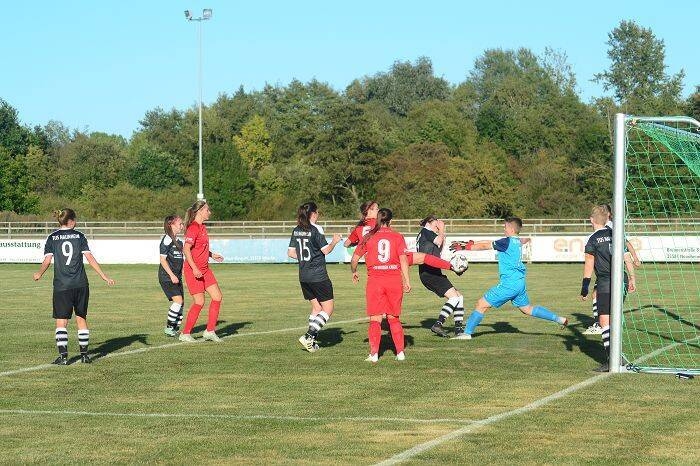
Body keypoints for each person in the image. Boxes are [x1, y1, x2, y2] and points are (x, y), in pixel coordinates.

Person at [450, 217, 568, 339]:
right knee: (527, 309)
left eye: (505, 227)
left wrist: (465, 247)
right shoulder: (516, 241)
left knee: (481, 304)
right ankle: (560, 319)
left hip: (509, 284)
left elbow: (486, 245)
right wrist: (470, 243)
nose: (504, 229)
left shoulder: (506, 242)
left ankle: (467, 333)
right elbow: (490, 242)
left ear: (511, 229)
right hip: (519, 283)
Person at [33, 208, 115, 365]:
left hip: (62, 285)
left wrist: (39, 273)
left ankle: (63, 357)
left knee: (61, 321)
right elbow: (90, 258)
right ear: (70, 221)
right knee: (81, 318)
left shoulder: (52, 238)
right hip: (81, 284)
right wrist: (104, 276)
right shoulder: (79, 236)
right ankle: (84, 356)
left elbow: (47, 261)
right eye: (75, 219)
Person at [580, 205, 636, 372]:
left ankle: (613, 359)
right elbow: (627, 257)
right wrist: (632, 277)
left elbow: (589, 264)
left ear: (591, 220)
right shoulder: (615, 234)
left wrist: (584, 288)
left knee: (605, 320)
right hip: (622, 278)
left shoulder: (592, 239)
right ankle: (618, 356)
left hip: (605, 282)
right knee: (615, 317)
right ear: (607, 219)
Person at [351, 208, 411, 362]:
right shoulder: (397, 236)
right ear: (391, 221)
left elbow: (355, 259)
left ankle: (374, 354)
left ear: (377, 219)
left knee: (375, 319)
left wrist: (354, 271)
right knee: (393, 318)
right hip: (393, 280)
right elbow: (403, 259)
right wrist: (407, 280)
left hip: (375, 281)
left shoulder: (368, 236)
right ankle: (400, 353)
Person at [345, 200, 463, 274]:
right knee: (425, 258)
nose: (379, 210)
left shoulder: (358, 228)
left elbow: (346, 244)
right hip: (393, 256)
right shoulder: (379, 222)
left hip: (375, 262)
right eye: (376, 209)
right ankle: (452, 266)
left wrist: (358, 242)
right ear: (368, 211)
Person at [288, 202, 342, 352]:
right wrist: (334, 241)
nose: (318, 215)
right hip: (318, 275)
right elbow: (326, 251)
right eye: (318, 213)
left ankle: (311, 342)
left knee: (316, 307)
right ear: (313, 214)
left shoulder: (297, 229)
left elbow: (291, 253)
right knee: (328, 308)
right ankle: (309, 336)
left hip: (303, 275)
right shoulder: (316, 229)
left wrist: (306, 258)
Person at [584, 203, 641, 335]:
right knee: (599, 296)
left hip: (608, 272)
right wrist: (634, 259)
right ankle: (603, 324)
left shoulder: (611, 227)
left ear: (608, 214)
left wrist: (634, 257)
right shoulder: (612, 227)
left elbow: (625, 244)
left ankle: (601, 324)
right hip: (613, 271)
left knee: (602, 298)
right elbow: (626, 246)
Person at [179, 200, 225, 343]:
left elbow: (199, 248)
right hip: (193, 270)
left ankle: (210, 331)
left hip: (205, 269)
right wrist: (194, 268)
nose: (209, 212)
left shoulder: (202, 227)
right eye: (207, 210)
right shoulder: (193, 228)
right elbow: (186, 249)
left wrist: (211, 255)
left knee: (217, 297)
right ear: (199, 211)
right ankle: (185, 333)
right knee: (199, 302)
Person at [417, 215, 466, 338]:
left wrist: (442, 233)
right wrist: (442, 230)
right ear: (428, 223)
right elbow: (438, 242)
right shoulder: (426, 231)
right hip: (429, 272)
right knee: (454, 298)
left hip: (432, 272)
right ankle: (438, 324)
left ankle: (458, 329)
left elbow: (439, 249)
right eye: (436, 224)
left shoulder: (426, 234)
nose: (438, 227)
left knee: (459, 297)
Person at [159, 215, 185, 337]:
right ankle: (169, 328)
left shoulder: (179, 241)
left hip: (177, 276)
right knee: (178, 301)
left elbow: (184, 257)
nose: (182, 226)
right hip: (167, 276)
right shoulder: (167, 239)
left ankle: (175, 329)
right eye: (180, 224)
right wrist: (171, 275)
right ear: (171, 225)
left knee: (181, 303)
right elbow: (162, 260)